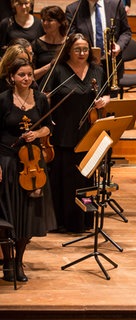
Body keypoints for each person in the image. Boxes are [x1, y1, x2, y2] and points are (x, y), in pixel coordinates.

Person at [44, 33, 110, 233]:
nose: (82, 53)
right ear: (68, 51)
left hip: (88, 133)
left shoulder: (97, 70)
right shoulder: (59, 71)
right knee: (63, 180)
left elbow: (107, 94)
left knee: (85, 179)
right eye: (77, 49)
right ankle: (62, 221)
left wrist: (106, 100)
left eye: (85, 49)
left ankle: (84, 220)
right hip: (63, 132)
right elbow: (44, 96)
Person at [0, 58, 56, 282]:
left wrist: (38, 134)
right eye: (21, 74)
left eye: (29, 75)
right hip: (7, 162)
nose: (26, 78)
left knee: (29, 215)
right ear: (11, 77)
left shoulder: (41, 98)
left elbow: (47, 126)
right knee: (7, 215)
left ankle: (19, 261)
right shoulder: (3, 100)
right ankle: (7, 263)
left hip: (33, 166)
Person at [65, 0, 132, 82]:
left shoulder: (117, 5)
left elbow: (126, 32)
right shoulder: (73, 9)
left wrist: (119, 46)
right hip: (85, 64)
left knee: (110, 95)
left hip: (111, 64)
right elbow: (71, 37)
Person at [31, 6, 68, 85]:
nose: (45, 23)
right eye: (43, 20)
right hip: (41, 89)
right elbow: (31, 75)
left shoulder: (69, 43)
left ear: (60, 22)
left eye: (50, 20)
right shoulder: (36, 44)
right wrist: (50, 66)